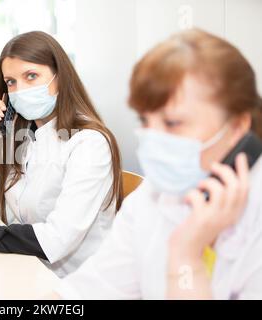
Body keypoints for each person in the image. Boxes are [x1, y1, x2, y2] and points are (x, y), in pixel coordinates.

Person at [51, 29, 262, 299]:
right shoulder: (152, 199)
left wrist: (186, 257)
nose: (153, 140)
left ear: (237, 126)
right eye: (145, 122)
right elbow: (85, 293)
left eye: (172, 123)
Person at [0, 31, 123, 278]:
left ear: (60, 77)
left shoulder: (89, 143)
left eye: (31, 76)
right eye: (11, 82)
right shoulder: (20, 136)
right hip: (26, 267)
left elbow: (56, 240)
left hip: (74, 285)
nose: (20, 90)